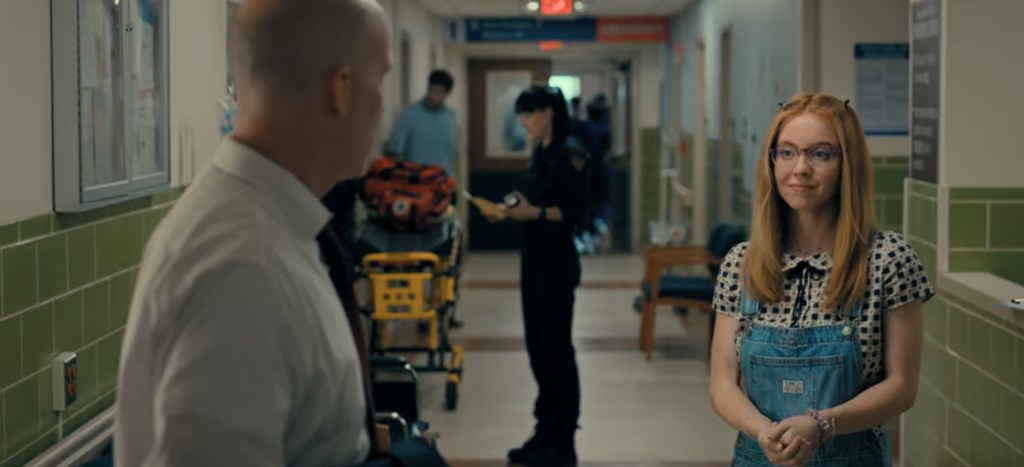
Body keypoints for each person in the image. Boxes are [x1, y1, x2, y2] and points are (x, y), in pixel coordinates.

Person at [114, 0, 394, 465]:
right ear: (341, 89)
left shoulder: (275, 226)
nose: (382, 104)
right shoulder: (244, 267)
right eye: (380, 79)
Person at [708, 94, 933, 466]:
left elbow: (902, 387)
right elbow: (721, 381)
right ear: (771, 161)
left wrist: (821, 425)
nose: (801, 169)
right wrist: (761, 430)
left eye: (821, 154)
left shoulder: (887, 260)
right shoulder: (742, 263)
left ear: (848, 164)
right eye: (787, 153)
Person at [484, 85, 589, 466]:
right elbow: (534, 196)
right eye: (522, 115)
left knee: (557, 348)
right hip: (533, 260)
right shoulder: (541, 153)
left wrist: (534, 213)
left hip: (557, 261)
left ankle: (563, 437)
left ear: (549, 113)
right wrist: (509, 207)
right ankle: (544, 429)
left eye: (530, 114)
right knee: (538, 348)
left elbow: (575, 212)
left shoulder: (571, 154)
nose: (524, 122)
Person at [387, 70, 459, 177]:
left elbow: (452, 154)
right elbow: (394, 154)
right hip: (416, 182)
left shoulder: (451, 117)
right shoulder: (408, 115)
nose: (432, 96)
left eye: (438, 93)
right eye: (430, 90)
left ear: (447, 94)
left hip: (443, 182)